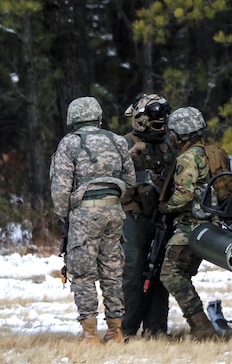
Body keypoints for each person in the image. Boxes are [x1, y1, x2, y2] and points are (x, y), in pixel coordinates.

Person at [49, 96, 135, 344]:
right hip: (114, 212)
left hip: (85, 215)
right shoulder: (117, 141)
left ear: (73, 118)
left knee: (83, 273)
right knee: (112, 271)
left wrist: (64, 216)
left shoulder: (69, 144)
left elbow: (61, 186)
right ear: (97, 116)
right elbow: (130, 181)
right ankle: (115, 331)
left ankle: (89, 334)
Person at [158, 106, 220, 340]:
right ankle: (202, 327)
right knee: (180, 271)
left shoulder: (188, 157)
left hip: (192, 225)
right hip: (210, 222)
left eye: (173, 132)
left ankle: (202, 328)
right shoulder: (211, 152)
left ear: (182, 133)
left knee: (170, 274)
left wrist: (165, 207)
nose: (171, 137)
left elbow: (183, 195)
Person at [120, 93, 175, 338]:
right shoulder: (123, 144)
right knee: (132, 271)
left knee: (161, 272)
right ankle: (127, 328)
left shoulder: (168, 146)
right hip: (133, 217)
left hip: (162, 218)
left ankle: (156, 328)